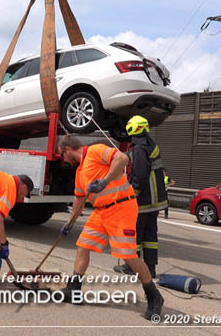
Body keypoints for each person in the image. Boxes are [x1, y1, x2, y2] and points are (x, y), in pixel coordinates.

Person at [57, 135, 164, 319]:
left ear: (67, 149)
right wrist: (70, 223)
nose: (63, 160)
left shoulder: (95, 151)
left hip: (121, 208)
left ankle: (154, 296)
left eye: (62, 155)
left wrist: (105, 181)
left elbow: (122, 158)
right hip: (100, 212)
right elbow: (79, 198)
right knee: (83, 246)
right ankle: (73, 290)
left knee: (128, 256)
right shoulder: (80, 172)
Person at [114, 115, 168, 278]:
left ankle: (132, 267)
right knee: (150, 236)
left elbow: (140, 175)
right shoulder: (151, 144)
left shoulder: (138, 148)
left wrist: (132, 195)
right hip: (156, 202)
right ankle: (150, 269)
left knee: (135, 235)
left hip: (143, 201)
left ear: (132, 129)